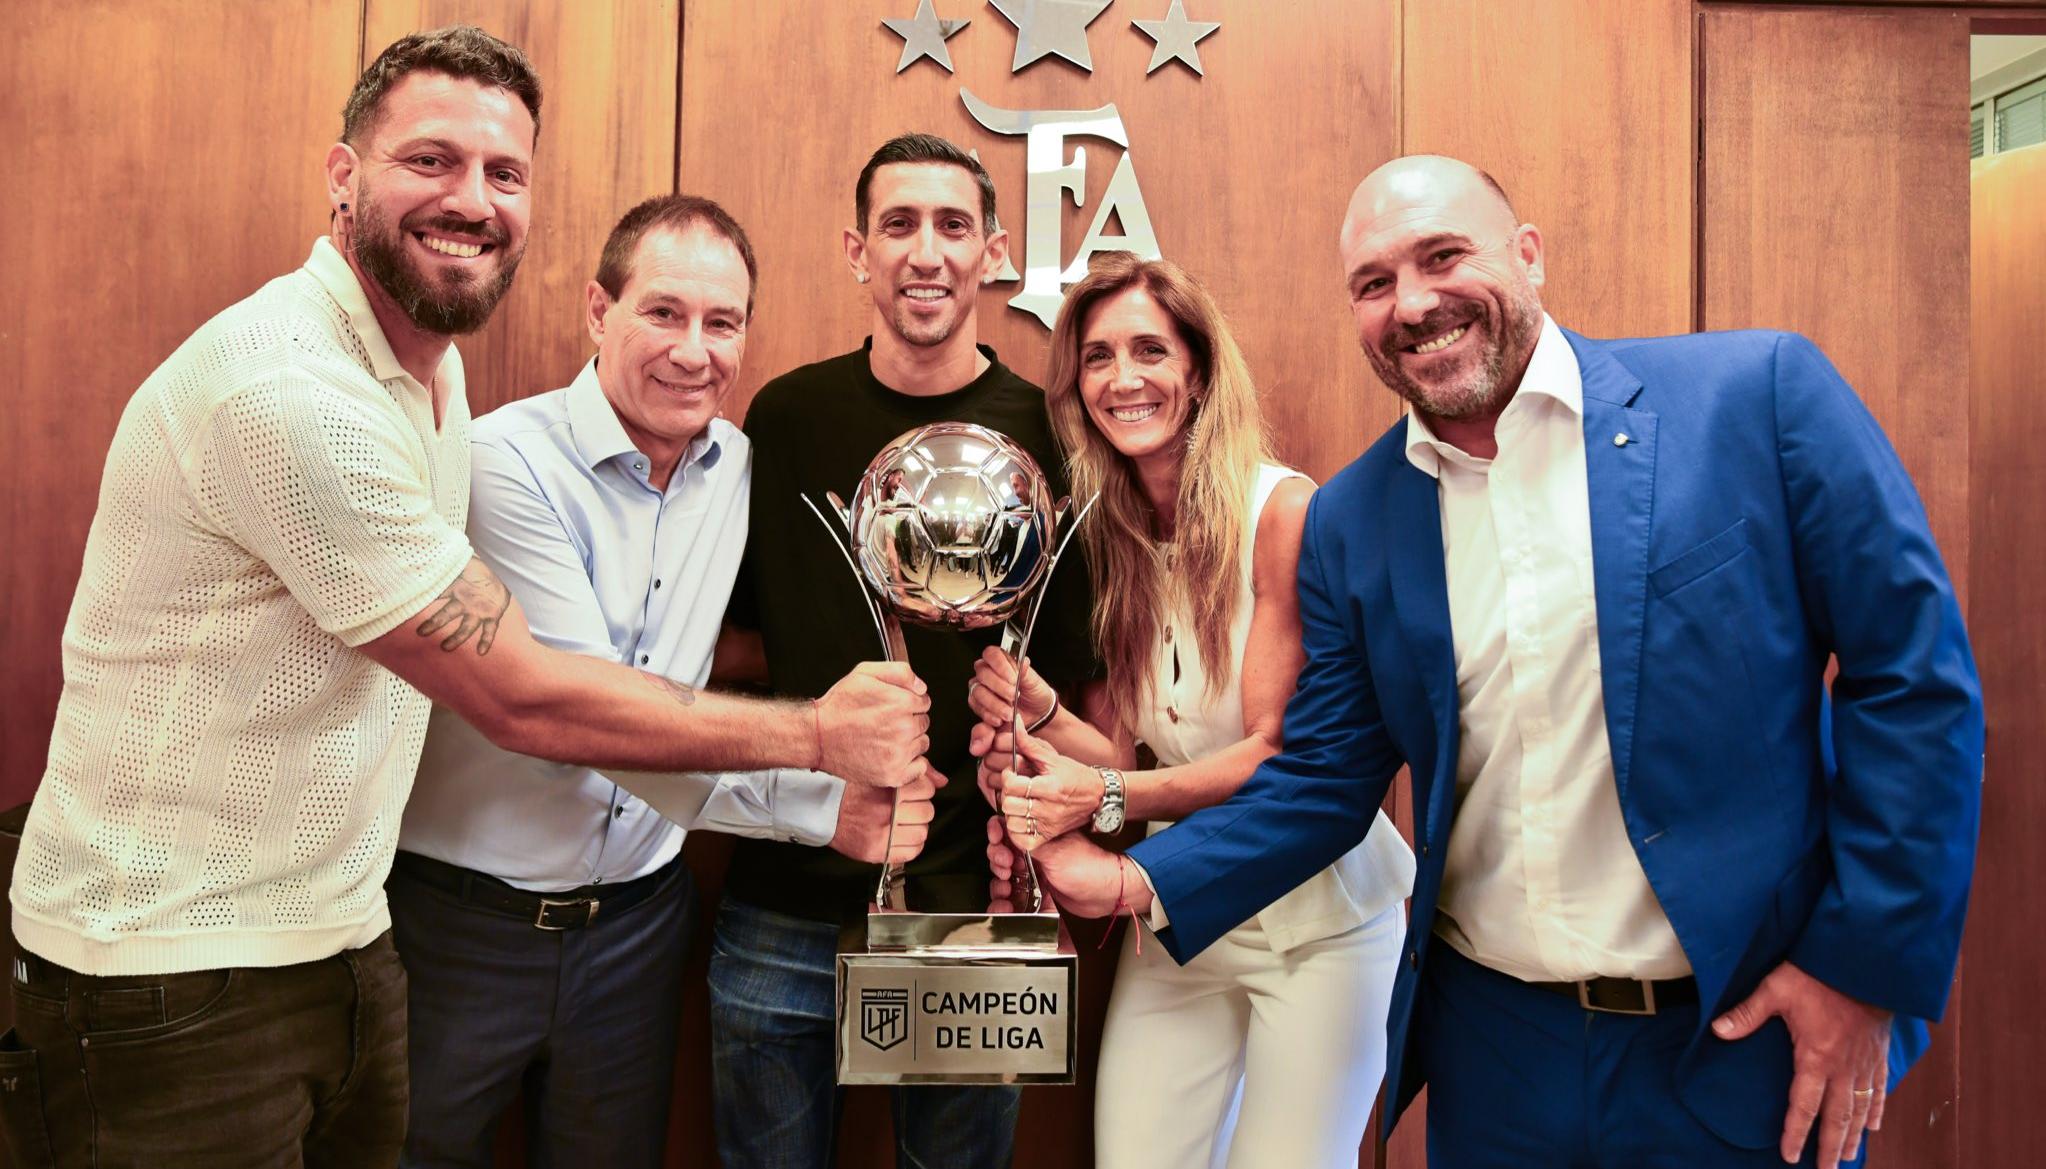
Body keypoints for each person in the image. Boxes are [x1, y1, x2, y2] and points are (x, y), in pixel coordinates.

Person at [3, 29, 927, 1167]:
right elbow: (536, 702)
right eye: (430, 160)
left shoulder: (432, 376)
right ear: (344, 178)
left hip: (352, 936)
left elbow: (682, 648)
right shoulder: (298, 395)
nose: (472, 200)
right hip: (171, 966)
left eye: (504, 174)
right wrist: (821, 747)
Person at [1011, 155, 1982, 1169]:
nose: (1414, 304)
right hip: (1496, 1055)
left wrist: (1861, 968)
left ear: (1527, 255)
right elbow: (1324, 780)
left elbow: (1913, 682)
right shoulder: (1357, 516)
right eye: (1374, 283)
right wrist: (1127, 881)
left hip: (1738, 1039)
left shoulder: (1755, 398)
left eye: (1442, 256)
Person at [390, 194, 942, 1169]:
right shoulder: (502, 463)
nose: (695, 350)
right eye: (664, 312)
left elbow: (721, 650)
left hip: (641, 931)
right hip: (465, 929)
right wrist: (821, 796)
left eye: (721, 322)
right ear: (599, 311)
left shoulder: (742, 467)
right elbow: (585, 714)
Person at [965, 252, 1416, 1169]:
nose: (1123, 379)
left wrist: (1098, 797)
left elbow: (1276, 756)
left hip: (1318, 927)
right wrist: (1042, 714)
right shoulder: (1113, 533)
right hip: (1180, 917)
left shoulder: (1280, 512)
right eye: (1097, 357)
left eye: (1149, 351)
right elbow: (1130, 755)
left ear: (1199, 369)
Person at [708, 132, 1098, 1169]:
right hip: (784, 893)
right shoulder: (785, 417)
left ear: (994, 252)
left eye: (953, 225)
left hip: (970, 901)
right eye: (899, 224)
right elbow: (740, 639)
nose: (926, 251)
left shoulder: (1049, 429)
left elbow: (1078, 675)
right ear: (857, 250)